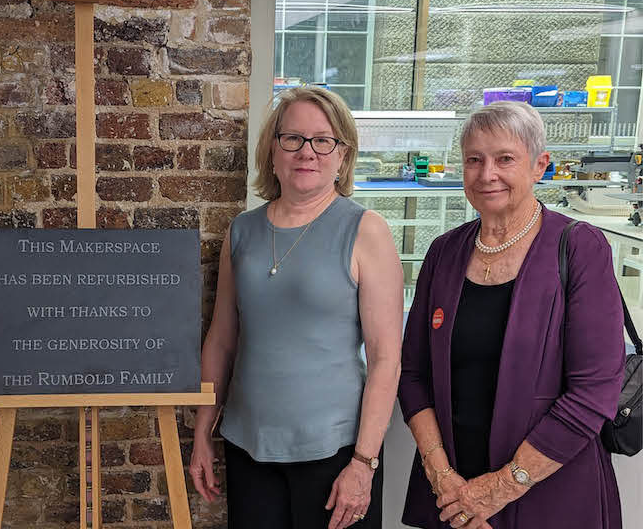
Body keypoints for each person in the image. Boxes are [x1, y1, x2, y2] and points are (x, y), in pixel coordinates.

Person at [398, 101, 624, 528]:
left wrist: (500, 488)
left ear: (539, 166)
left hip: (550, 495)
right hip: (453, 497)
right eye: (474, 160)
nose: (487, 175)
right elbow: (413, 375)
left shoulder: (579, 248)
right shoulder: (444, 252)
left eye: (505, 159)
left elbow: (593, 393)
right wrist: (443, 478)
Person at [189, 86, 403, 529]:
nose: (307, 152)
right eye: (293, 138)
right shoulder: (242, 231)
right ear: (273, 149)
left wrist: (364, 462)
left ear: (342, 155)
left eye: (323, 140)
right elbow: (222, 339)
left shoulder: (366, 231)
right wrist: (202, 432)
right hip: (249, 447)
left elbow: (386, 358)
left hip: (336, 453)